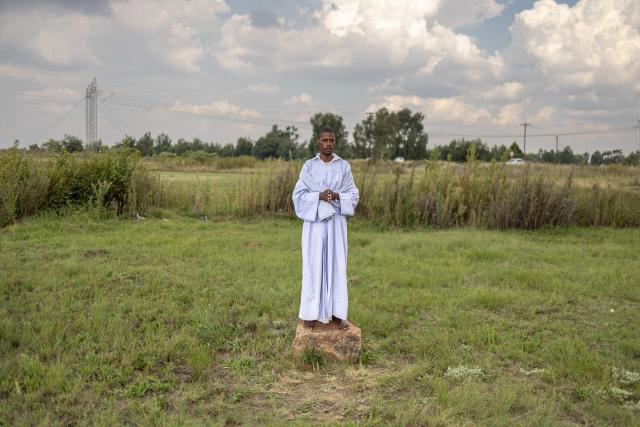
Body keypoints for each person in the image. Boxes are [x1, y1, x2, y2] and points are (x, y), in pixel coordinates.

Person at [292, 127, 359, 330]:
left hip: (336, 223)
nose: (328, 143)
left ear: (335, 142)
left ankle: (338, 313)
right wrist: (319, 196)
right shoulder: (309, 167)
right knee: (313, 265)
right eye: (325, 140)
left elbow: (353, 194)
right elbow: (298, 196)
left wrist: (337, 196)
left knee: (337, 264)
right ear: (318, 142)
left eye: (331, 140)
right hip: (315, 224)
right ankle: (310, 314)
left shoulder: (343, 166)